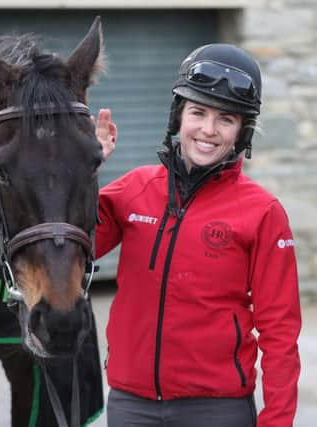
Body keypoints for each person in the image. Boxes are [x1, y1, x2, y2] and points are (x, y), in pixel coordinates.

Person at [94, 43, 301, 427]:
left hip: (217, 410)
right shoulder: (133, 189)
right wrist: (82, 166)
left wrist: (277, 420)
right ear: (178, 117)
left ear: (242, 132)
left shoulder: (263, 212)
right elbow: (73, 248)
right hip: (131, 406)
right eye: (198, 112)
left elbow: (281, 332)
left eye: (226, 119)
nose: (208, 130)